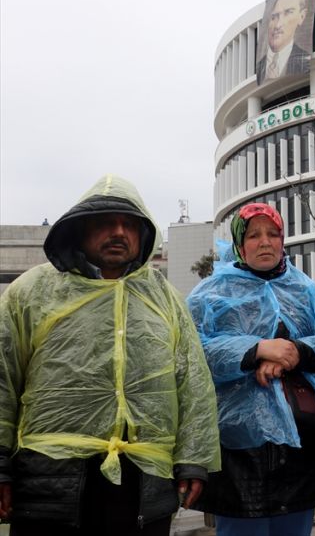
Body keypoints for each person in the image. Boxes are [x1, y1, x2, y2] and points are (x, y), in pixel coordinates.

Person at [0, 175, 220, 535]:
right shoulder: (32, 292)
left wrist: (194, 458)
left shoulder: (164, 299)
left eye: (129, 224)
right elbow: (3, 378)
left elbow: (193, 383)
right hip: (50, 483)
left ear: (142, 234)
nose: (119, 232)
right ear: (81, 229)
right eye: (105, 222)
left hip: (143, 482)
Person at [187, 203, 315, 536]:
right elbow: (191, 353)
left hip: (300, 444)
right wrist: (257, 349)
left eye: (273, 234)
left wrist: (295, 351)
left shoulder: (305, 289)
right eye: (254, 235)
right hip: (238, 452)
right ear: (240, 245)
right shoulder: (209, 293)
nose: (265, 242)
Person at [257, 0, 311, 82]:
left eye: (288, 13)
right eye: (273, 17)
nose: (278, 25)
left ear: (302, 16)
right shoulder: (259, 67)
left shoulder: (304, 60)